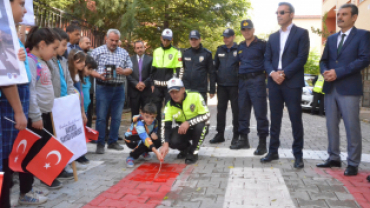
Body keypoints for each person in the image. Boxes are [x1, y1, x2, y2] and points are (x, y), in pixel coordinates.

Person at [316, 3, 370, 176]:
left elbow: (363, 60)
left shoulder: (363, 35)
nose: (339, 17)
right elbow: (323, 60)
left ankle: (353, 163)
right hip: (331, 88)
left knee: (351, 127)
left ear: (354, 17)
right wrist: (325, 71)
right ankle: (333, 158)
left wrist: (337, 72)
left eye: (344, 14)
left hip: (349, 89)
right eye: (338, 14)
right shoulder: (331, 39)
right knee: (331, 125)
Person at [0, 0, 42, 206]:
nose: (25, 10)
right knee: (4, 163)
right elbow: (6, 78)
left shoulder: (10, 35)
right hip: (8, 111)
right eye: (21, 4)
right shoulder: (3, 34)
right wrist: (18, 111)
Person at [261, 2, 310, 169]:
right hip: (274, 82)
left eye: (282, 12)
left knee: (295, 119)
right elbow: (266, 59)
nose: (279, 15)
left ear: (291, 14)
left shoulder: (302, 33)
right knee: (275, 119)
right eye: (277, 12)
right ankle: (273, 151)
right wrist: (273, 73)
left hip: (292, 82)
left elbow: (302, 58)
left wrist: (285, 73)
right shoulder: (272, 37)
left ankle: (298, 155)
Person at [27, 26, 62, 195]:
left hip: (46, 113)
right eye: (53, 48)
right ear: (42, 45)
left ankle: (36, 184)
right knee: (33, 152)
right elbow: (31, 90)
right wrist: (35, 115)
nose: (55, 53)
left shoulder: (44, 62)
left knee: (43, 149)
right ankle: (28, 189)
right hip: (37, 116)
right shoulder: (31, 62)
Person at [91, 29, 133, 154]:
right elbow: (88, 69)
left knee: (116, 117)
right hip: (103, 87)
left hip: (119, 88)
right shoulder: (97, 51)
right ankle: (100, 143)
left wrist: (124, 71)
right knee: (101, 117)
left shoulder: (124, 52)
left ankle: (113, 141)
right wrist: (99, 75)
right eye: (112, 40)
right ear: (106, 38)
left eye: (116, 41)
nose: (114, 43)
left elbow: (130, 68)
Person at [231, 20, 269, 154]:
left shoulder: (262, 45)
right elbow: (237, 63)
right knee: (243, 111)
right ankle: (243, 140)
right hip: (243, 83)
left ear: (253, 30)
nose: (246, 32)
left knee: (260, 112)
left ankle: (262, 143)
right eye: (243, 29)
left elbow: (269, 62)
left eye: (248, 29)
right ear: (241, 31)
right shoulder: (240, 46)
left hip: (257, 81)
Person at [46, 28, 77, 178]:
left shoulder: (63, 61)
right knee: (53, 138)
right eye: (63, 45)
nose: (65, 48)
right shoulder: (48, 62)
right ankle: (53, 169)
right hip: (54, 105)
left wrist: (72, 96)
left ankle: (62, 166)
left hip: (65, 104)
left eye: (66, 45)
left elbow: (69, 82)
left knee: (63, 137)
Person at [159, 78, 210, 164]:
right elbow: (165, 126)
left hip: (198, 127)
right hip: (183, 129)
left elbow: (207, 115)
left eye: (177, 91)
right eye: (172, 92)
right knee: (172, 140)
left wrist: (188, 122)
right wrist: (165, 144)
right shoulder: (168, 105)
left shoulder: (195, 96)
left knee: (201, 127)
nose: (174, 95)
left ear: (183, 89)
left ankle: (193, 152)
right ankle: (186, 150)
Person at [151, 29, 183, 139]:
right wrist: (152, 84)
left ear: (171, 40)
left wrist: (178, 86)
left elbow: (180, 69)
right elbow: (153, 69)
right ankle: (159, 133)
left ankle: (168, 133)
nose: (165, 42)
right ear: (161, 38)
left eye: (168, 40)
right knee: (156, 110)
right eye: (164, 39)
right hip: (157, 86)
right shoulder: (156, 51)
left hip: (169, 87)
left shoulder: (176, 52)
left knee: (169, 110)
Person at [210, 29, 239, 145]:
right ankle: (220, 134)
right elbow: (214, 68)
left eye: (227, 37)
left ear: (233, 37)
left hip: (235, 86)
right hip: (221, 86)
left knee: (236, 112)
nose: (225, 39)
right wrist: (213, 85)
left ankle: (236, 135)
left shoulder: (239, 49)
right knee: (220, 111)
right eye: (224, 37)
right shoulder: (219, 50)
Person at [125, 102, 163, 167]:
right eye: (147, 117)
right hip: (131, 139)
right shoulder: (139, 123)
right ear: (142, 114)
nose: (149, 120)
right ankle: (131, 156)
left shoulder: (155, 122)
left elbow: (154, 131)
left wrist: (155, 135)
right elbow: (144, 137)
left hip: (142, 137)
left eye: (152, 117)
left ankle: (143, 151)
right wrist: (157, 152)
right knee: (144, 141)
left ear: (155, 116)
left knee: (158, 141)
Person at [182, 30, 215, 103]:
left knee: (201, 113)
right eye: (191, 39)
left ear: (200, 39)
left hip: (200, 89)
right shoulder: (186, 53)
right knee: (187, 112)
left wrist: (212, 90)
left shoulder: (207, 54)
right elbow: (183, 69)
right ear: (189, 40)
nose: (193, 41)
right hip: (187, 88)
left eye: (195, 39)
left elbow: (212, 73)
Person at [127, 40, 153, 117]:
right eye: (137, 48)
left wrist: (144, 83)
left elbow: (152, 74)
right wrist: (136, 84)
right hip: (134, 91)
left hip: (146, 92)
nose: (139, 49)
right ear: (135, 49)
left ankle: (146, 129)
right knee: (134, 115)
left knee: (147, 113)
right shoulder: (130, 60)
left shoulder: (150, 59)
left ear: (144, 48)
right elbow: (128, 74)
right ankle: (135, 129)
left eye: (141, 47)